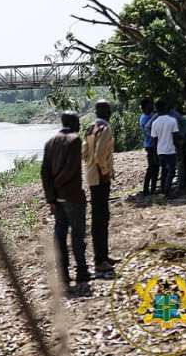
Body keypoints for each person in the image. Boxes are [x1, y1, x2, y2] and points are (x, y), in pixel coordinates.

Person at [41, 111, 90, 286]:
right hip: (72, 196)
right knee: (77, 235)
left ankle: (62, 275)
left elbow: (44, 172)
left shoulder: (50, 142)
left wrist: (51, 197)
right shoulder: (75, 140)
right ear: (73, 122)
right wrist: (57, 188)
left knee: (60, 236)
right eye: (78, 121)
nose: (80, 125)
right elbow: (70, 170)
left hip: (57, 199)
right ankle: (82, 271)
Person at [82, 100, 116, 275]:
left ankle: (103, 256)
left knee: (100, 217)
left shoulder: (90, 127)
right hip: (100, 178)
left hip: (91, 176)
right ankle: (100, 260)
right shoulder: (105, 129)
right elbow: (99, 155)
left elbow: (85, 153)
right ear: (108, 112)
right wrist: (105, 171)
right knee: (101, 218)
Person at [151, 99, 180, 197]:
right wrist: (178, 148)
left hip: (160, 151)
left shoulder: (154, 123)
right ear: (165, 108)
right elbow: (175, 136)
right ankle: (167, 190)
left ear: (156, 109)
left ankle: (164, 190)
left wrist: (155, 153)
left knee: (163, 171)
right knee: (171, 171)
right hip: (171, 150)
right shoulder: (172, 120)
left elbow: (154, 140)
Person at [139, 98, 159, 196]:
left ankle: (151, 189)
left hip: (151, 145)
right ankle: (147, 190)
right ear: (145, 107)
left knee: (155, 167)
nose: (152, 106)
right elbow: (149, 132)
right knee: (152, 168)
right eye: (150, 105)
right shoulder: (145, 118)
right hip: (151, 145)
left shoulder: (148, 115)